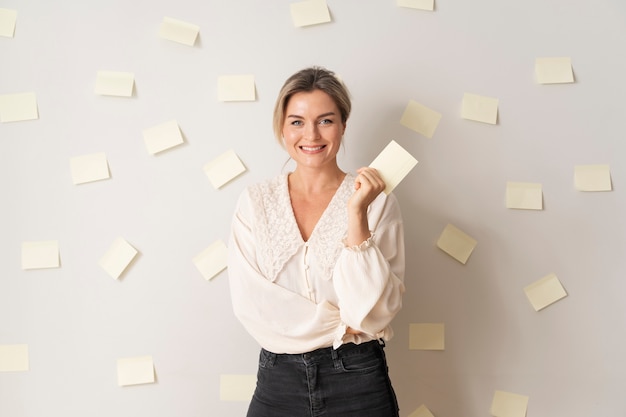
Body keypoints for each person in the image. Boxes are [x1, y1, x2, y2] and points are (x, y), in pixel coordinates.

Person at [227, 66, 406, 417]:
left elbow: (375, 313)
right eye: (297, 121)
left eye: (325, 120)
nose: (311, 134)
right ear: (282, 127)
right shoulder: (255, 201)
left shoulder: (379, 201)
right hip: (278, 380)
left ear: (343, 125)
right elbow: (251, 305)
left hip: (358, 380)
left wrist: (356, 214)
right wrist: (343, 324)